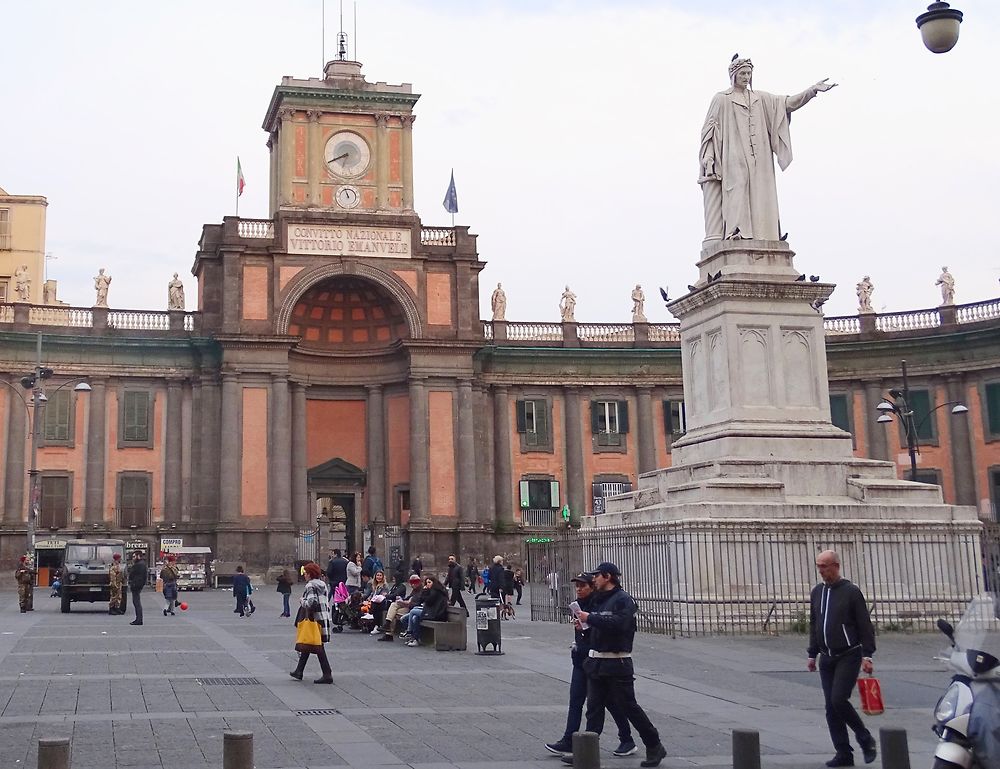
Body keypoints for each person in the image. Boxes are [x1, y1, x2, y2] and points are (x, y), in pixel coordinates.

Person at [699, 55, 836, 242]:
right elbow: (710, 129)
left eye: (749, 73)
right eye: (742, 73)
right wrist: (708, 156)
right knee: (736, 189)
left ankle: (764, 236)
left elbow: (787, 103)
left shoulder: (760, 98)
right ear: (733, 75)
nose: (746, 77)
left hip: (760, 158)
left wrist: (811, 91)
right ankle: (735, 232)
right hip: (733, 154)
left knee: (762, 194)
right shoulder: (722, 99)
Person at [562, 562, 666, 768]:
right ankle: (587, 751)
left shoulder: (623, 600)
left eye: (597, 576)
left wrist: (590, 618)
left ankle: (654, 744)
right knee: (593, 709)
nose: (594, 580)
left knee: (629, 707)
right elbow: (597, 629)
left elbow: (619, 624)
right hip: (597, 661)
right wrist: (584, 627)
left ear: (608, 576)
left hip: (617, 662)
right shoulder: (599, 600)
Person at [545, 573, 636, 757]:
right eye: (576, 586)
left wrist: (589, 625)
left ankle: (626, 739)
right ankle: (569, 740)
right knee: (576, 701)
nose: (578, 589)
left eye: (582, 586)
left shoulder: (599, 603)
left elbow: (608, 628)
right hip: (581, 660)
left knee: (610, 703)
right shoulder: (578, 606)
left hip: (597, 662)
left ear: (592, 587)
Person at [807, 550, 877, 767]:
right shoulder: (817, 592)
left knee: (839, 699)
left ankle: (864, 736)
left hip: (849, 654)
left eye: (825, 566)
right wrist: (812, 653)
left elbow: (864, 624)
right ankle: (843, 752)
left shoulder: (851, 592)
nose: (821, 570)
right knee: (830, 707)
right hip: (826, 657)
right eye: (819, 566)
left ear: (836, 566)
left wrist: (868, 655)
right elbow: (814, 623)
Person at [290, 562, 333, 684]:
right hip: (323, 616)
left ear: (309, 574)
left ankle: (327, 673)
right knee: (309, 643)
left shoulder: (310, 586)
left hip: (314, 618)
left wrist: (302, 600)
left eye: (306, 573)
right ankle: (299, 671)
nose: (304, 575)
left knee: (318, 646)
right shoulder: (322, 584)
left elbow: (311, 602)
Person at [404, 576, 449, 647]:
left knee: (413, 611)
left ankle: (409, 632)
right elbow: (422, 600)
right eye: (426, 582)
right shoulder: (433, 591)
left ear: (434, 583)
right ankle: (415, 639)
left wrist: (425, 591)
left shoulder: (435, 591)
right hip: (431, 611)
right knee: (415, 617)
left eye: (429, 582)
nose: (427, 584)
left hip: (435, 614)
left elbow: (428, 601)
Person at [378, 574, 423, 642]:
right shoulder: (414, 590)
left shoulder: (421, 591)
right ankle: (388, 631)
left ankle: (388, 630)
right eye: (411, 583)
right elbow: (408, 598)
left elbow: (417, 604)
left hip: (413, 609)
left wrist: (407, 603)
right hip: (408, 607)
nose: (412, 585)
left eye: (415, 582)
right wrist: (403, 600)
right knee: (393, 609)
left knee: (392, 612)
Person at [127, 550, 147, 626]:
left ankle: (139, 619)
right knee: (136, 602)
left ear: (138, 556)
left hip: (136, 585)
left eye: (134, 556)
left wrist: (132, 583)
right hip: (138, 585)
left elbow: (131, 574)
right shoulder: (142, 564)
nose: (133, 558)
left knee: (136, 602)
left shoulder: (138, 565)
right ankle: (138, 619)